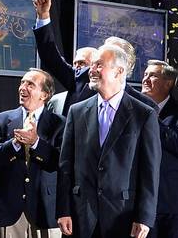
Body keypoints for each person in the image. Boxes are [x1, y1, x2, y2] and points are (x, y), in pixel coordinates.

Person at [57, 43, 160, 238]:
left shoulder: (143, 114)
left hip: (124, 216)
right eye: (92, 65)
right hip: (81, 215)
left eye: (98, 65)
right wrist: (63, 210)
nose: (91, 70)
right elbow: (65, 166)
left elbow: (150, 171)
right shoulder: (77, 111)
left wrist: (145, 217)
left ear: (118, 72)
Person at [0, 68, 64, 238]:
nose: (22, 88)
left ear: (44, 94)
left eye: (30, 84)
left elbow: (60, 162)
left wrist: (35, 143)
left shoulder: (59, 124)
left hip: (45, 210)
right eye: (22, 83)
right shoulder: (1, 120)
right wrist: (14, 144)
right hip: (9, 210)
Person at [140, 60, 178, 238]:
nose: (145, 79)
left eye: (152, 75)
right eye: (145, 74)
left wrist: (152, 116)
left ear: (168, 83)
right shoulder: (136, 113)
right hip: (147, 205)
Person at [32, 0, 96, 115]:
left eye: (82, 63)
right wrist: (43, 16)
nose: (77, 68)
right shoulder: (75, 79)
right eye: (75, 63)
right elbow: (50, 55)